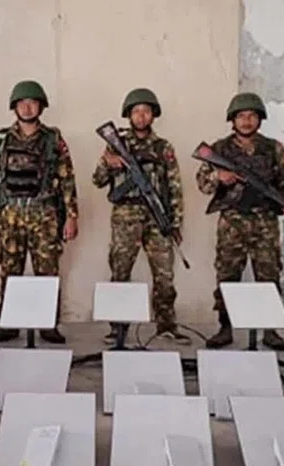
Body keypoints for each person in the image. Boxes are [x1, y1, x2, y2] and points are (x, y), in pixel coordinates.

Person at [196, 91, 284, 351]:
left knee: (269, 275)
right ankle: (225, 327)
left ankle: (271, 331)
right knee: (227, 275)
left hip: (265, 221)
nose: (246, 121)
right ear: (232, 120)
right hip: (232, 222)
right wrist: (219, 177)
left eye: (252, 116)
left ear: (260, 119)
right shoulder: (219, 149)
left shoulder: (273, 148)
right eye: (241, 116)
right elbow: (202, 183)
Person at [0, 80, 80, 344]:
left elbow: (67, 178)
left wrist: (71, 216)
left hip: (44, 214)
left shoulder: (53, 139)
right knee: (9, 270)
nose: (26, 107)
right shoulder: (0, 139)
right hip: (10, 214)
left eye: (32, 103)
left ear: (41, 106)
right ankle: (9, 323)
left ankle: (48, 324)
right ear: (14, 107)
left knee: (47, 271)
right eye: (22, 103)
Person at [92, 88, 190, 346]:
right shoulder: (116, 143)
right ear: (128, 115)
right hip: (125, 216)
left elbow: (175, 186)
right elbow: (97, 180)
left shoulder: (163, 147)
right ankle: (117, 328)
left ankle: (166, 324)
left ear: (153, 115)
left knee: (164, 274)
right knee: (120, 271)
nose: (141, 116)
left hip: (157, 218)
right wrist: (108, 164)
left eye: (146, 111)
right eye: (136, 111)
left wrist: (175, 221)